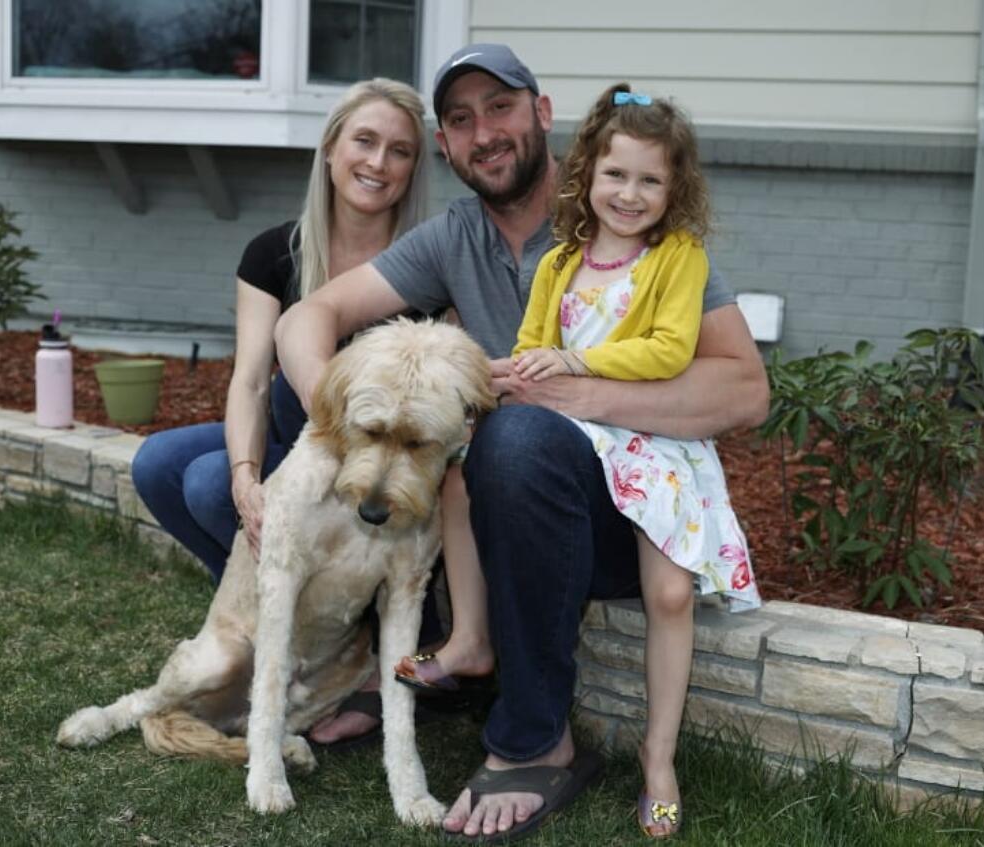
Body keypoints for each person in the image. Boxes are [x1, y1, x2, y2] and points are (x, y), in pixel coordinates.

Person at [276, 44, 769, 842]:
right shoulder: (461, 238)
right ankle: (353, 659)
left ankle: (540, 739)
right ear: (446, 145)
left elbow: (747, 390)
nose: (485, 133)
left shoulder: (656, 245)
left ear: (543, 116)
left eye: (500, 108)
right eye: (461, 120)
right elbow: (306, 317)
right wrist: (335, 420)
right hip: (514, 504)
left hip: (622, 507)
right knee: (335, 405)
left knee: (516, 439)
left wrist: (583, 389)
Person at [397, 82, 761, 838]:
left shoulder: (680, 259)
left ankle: (658, 761)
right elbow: (534, 347)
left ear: (676, 188)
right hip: (581, 448)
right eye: (615, 175)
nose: (630, 194)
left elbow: (667, 350)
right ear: (586, 174)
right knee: (475, 459)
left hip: (654, 450)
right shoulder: (561, 261)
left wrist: (575, 363)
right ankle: (474, 638)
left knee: (668, 596)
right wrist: (507, 371)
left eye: (651, 179)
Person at [130, 78, 427, 583]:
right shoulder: (273, 253)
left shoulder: (424, 263)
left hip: (375, 462)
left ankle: (324, 612)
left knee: (205, 483)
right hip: (291, 438)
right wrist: (246, 480)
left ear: (412, 169)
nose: (378, 163)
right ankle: (253, 599)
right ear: (331, 147)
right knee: (157, 464)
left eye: (399, 151)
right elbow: (249, 381)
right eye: (364, 141)